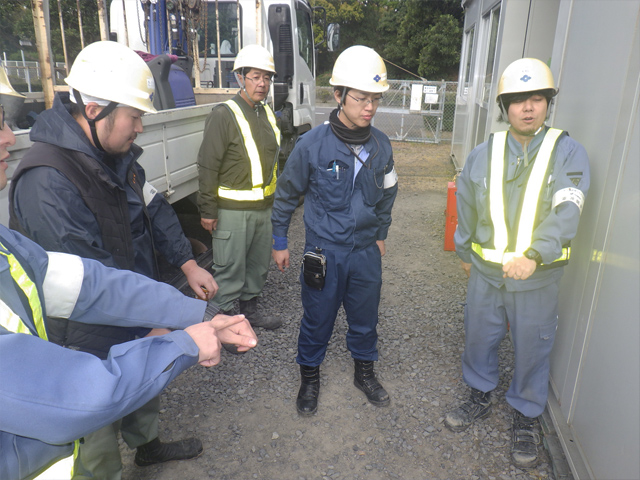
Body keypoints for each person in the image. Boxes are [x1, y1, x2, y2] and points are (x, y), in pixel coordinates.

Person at [0, 106, 258, 480]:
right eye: (132, 115)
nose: (10, 137)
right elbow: (74, 396)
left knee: (137, 396)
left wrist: (193, 314)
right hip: (80, 345)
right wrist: (183, 344)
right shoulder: (48, 180)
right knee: (97, 447)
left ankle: (147, 448)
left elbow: (91, 284)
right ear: (94, 110)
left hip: (126, 317)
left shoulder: (6, 244)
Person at [445, 58, 590, 468]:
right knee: (479, 336)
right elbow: (467, 208)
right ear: (504, 107)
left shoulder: (566, 151)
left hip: (537, 276)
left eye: (537, 99)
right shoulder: (483, 153)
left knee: (532, 346)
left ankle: (526, 414)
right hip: (486, 275)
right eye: (518, 101)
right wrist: (464, 253)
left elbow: (568, 209)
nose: (528, 108)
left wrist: (533, 254)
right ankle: (479, 393)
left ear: (547, 103)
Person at [271, 45, 398, 416]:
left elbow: (389, 192)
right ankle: (309, 378)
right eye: (361, 98)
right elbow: (285, 194)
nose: (370, 107)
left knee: (365, 317)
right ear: (339, 94)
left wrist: (381, 233)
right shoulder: (312, 145)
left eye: (376, 98)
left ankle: (365, 373)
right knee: (317, 317)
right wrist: (280, 240)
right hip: (325, 252)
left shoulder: (381, 145)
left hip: (364, 255)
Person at [197, 44, 283, 332]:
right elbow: (208, 165)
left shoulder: (267, 114)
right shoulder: (224, 114)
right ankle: (222, 324)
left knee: (257, 266)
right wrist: (208, 210)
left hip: (263, 209)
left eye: (267, 78)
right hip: (232, 211)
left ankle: (250, 312)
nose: (262, 84)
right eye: (256, 76)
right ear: (240, 78)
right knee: (230, 269)